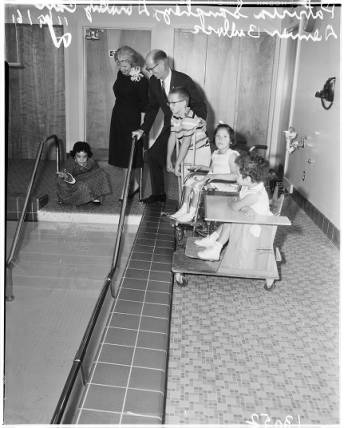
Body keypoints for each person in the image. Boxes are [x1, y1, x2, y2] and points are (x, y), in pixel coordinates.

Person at [132, 49, 207, 204]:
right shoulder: (153, 82)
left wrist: (198, 122)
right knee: (153, 155)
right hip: (172, 125)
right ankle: (159, 195)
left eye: (152, 68)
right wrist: (143, 129)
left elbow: (200, 104)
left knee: (190, 165)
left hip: (190, 126)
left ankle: (194, 201)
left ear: (163, 63)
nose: (150, 72)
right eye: (148, 69)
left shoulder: (183, 80)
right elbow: (152, 108)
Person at [195, 152, 272, 261]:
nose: (236, 176)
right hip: (250, 220)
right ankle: (213, 239)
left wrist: (235, 204)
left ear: (248, 179)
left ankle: (216, 249)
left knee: (229, 221)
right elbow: (240, 203)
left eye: (238, 174)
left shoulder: (254, 195)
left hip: (256, 228)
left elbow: (235, 206)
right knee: (228, 220)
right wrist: (243, 206)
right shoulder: (250, 185)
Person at [170, 122, 239, 223]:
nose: (220, 139)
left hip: (226, 185)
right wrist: (201, 167)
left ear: (231, 141)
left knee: (198, 185)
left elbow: (235, 176)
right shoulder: (215, 153)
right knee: (190, 180)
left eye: (225, 136)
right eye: (218, 136)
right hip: (214, 181)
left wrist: (215, 176)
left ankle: (191, 214)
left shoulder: (231, 155)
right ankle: (184, 208)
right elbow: (212, 169)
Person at [108, 46, 148, 199]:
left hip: (132, 120)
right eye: (119, 64)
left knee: (128, 155)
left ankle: (126, 188)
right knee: (122, 154)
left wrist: (143, 128)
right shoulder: (120, 74)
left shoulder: (141, 79)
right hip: (118, 117)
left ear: (132, 63)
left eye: (124, 65)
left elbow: (145, 105)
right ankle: (135, 184)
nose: (121, 68)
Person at [166, 87, 211, 182]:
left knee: (197, 181)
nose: (170, 106)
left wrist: (177, 162)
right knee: (186, 181)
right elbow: (172, 136)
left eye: (173, 103)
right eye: (169, 103)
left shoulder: (189, 118)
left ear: (183, 103)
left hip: (200, 151)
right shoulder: (175, 116)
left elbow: (186, 142)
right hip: (188, 150)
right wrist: (168, 158)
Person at [57, 141, 111, 206]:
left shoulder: (91, 162)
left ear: (88, 156)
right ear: (74, 155)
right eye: (79, 156)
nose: (82, 159)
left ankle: (94, 197)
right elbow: (66, 174)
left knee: (102, 173)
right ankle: (77, 199)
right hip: (72, 186)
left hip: (85, 181)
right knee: (81, 185)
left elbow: (96, 173)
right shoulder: (70, 162)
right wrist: (66, 177)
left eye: (84, 157)